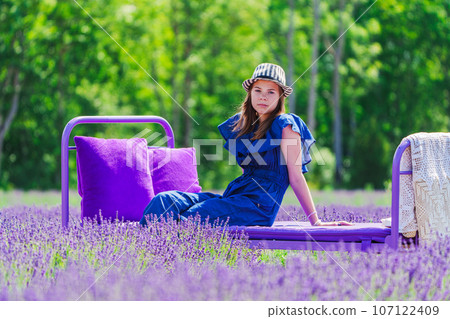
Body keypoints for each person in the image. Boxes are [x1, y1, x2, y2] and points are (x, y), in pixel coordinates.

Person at [140, 63, 352, 227]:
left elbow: (296, 177)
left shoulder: (286, 125)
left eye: (271, 92)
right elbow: (247, 171)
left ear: (280, 97)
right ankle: (144, 256)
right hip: (236, 197)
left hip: (259, 206)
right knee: (165, 200)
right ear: (249, 93)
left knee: (189, 218)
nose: (263, 97)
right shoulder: (242, 125)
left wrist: (316, 221)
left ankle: (165, 261)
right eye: (258, 90)